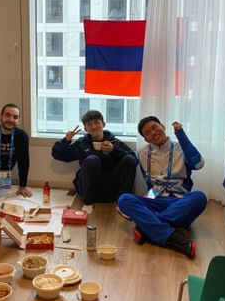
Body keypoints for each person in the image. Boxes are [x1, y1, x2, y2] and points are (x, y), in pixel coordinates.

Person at [117, 116, 207, 259]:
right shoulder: (142, 153)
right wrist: (148, 200)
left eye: (154, 127)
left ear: (163, 127)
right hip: (156, 199)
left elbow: (198, 164)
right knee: (124, 200)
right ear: (145, 139)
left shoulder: (181, 147)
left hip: (178, 201)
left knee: (199, 197)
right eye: (147, 133)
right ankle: (174, 236)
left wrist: (181, 135)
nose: (153, 132)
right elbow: (149, 183)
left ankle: (147, 228)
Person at [51, 110, 138, 214]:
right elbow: (58, 154)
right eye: (89, 124)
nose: (93, 126)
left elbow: (133, 160)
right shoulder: (81, 143)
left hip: (111, 187)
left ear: (103, 124)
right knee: (92, 159)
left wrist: (113, 150)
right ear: (85, 129)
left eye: (97, 122)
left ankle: (123, 204)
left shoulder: (114, 142)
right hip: (88, 188)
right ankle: (88, 203)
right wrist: (66, 140)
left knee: (129, 159)